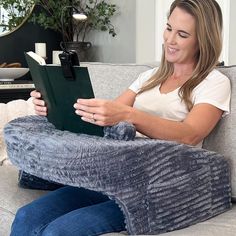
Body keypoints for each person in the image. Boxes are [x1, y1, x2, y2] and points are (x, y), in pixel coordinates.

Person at [11, 0, 231, 235]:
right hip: (114, 172)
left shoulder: (213, 82)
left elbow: (190, 134)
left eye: (183, 34)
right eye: (168, 28)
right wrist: (52, 104)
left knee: (60, 231)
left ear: (203, 40)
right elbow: (101, 120)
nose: (170, 39)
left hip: (156, 185)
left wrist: (131, 115)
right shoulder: (148, 77)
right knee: (27, 216)